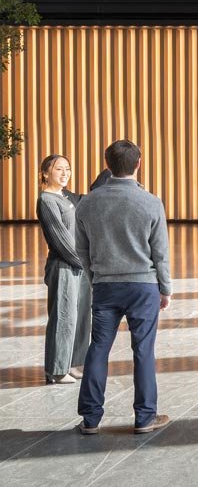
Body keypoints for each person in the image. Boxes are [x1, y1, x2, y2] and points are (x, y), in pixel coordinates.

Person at [74, 139, 171, 435]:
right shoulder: (151, 202)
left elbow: (81, 251)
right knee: (143, 351)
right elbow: (160, 253)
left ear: (108, 165)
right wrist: (165, 288)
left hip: (105, 286)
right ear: (138, 163)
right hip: (143, 287)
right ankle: (145, 417)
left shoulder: (88, 202)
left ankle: (90, 419)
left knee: (98, 348)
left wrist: (95, 279)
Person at [35, 155, 91, 385]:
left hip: (79, 265)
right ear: (45, 173)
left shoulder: (65, 196)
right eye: (59, 169)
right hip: (64, 266)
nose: (65, 173)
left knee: (80, 317)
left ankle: (74, 363)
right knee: (63, 318)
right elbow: (60, 241)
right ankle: (57, 370)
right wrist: (84, 262)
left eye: (67, 168)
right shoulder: (47, 201)